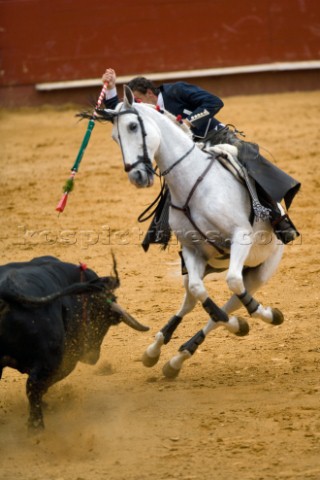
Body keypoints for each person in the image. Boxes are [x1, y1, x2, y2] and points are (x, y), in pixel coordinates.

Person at [101, 68, 300, 249]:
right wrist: (110, 89)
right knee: (177, 185)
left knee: (247, 162)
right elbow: (123, 114)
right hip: (192, 152)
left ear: (150, 94)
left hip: (216, 138)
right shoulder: (150, 111)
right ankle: (188, 245)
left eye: (139, 100)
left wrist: (189, 121)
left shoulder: (176, 91)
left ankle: (278, 217)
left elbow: (214, 102)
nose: (138, 106)